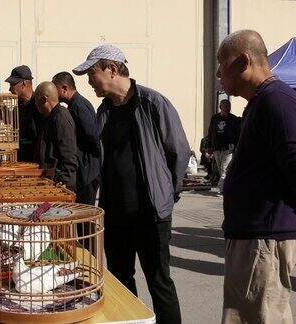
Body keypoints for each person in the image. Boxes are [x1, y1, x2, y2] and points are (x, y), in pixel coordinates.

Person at [217, 30, 296, 323]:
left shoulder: (276, 102)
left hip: (263, 242)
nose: (219, 74)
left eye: (222, 65)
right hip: (255, 239)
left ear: (243, 61)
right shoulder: (264, 101)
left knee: (260, 317)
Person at [73, 44, 189, 324]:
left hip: (151, 215)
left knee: (160, 284)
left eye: (92, 72)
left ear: (112, 69)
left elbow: (179, 151)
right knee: (122, 284)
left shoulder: (152, 103)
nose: (88, 80)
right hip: (114, 216)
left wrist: (167, 193)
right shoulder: (105, 111)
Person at [52, 71, 101, 205]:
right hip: (86, 169)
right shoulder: (75, 104)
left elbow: (93, 137)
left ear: (64, 89)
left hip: (88, 171)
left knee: (84, 213)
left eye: (55, 89)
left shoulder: (78, 105)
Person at [34, 81, 78, 190]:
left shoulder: (61, 117)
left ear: (44, 99)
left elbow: (69, 153)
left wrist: (64, 181)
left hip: (60, 184)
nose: (35, 104)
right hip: (50, 180)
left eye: (36, 100)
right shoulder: (50, 117)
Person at [5, 65, 43, 162]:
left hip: (36, 161)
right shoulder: (18, 106)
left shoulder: (39, 105)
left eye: (12, 85)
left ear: (24, 84)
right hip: (21, 160)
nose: (10, 89)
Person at [206, 99, 240, 194]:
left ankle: (222, 189)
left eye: (229, 107)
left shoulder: (234, 119)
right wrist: (209, 147)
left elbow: (237, 134)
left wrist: (236, 146)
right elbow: (210, 132)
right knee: (221, 169)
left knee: (224, 168)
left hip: (228, 149)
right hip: (217, 148)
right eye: (225, 107)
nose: (227, 109)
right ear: (220, 107)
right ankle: (226, 186)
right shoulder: (215, 118)